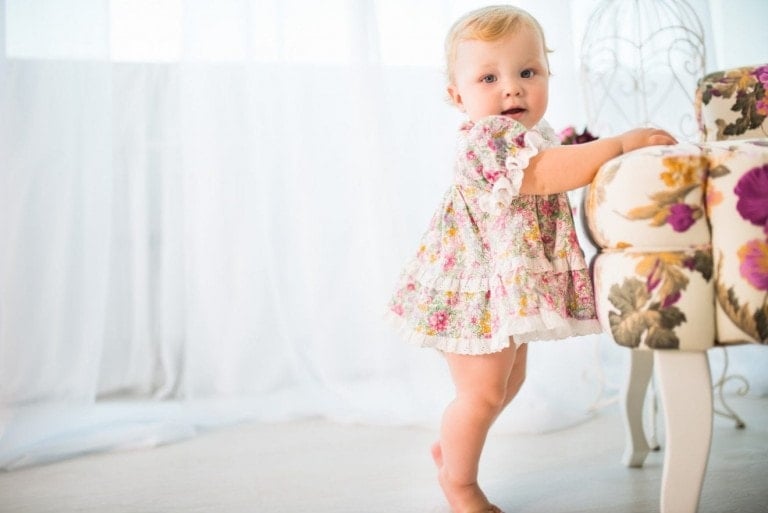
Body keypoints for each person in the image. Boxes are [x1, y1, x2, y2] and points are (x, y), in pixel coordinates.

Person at [386, 5, 677, 513]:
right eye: (488, 77)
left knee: (506, 384)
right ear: (458, 96)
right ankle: (460, 485)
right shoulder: (487, 140)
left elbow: (556, 161)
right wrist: (620, 143)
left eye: (528, 72)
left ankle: (452, 448)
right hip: (471, 289)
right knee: (480, 395)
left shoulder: (533, 137)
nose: (512, 88)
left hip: (499, 289)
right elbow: (544, 175)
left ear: (547, 74)